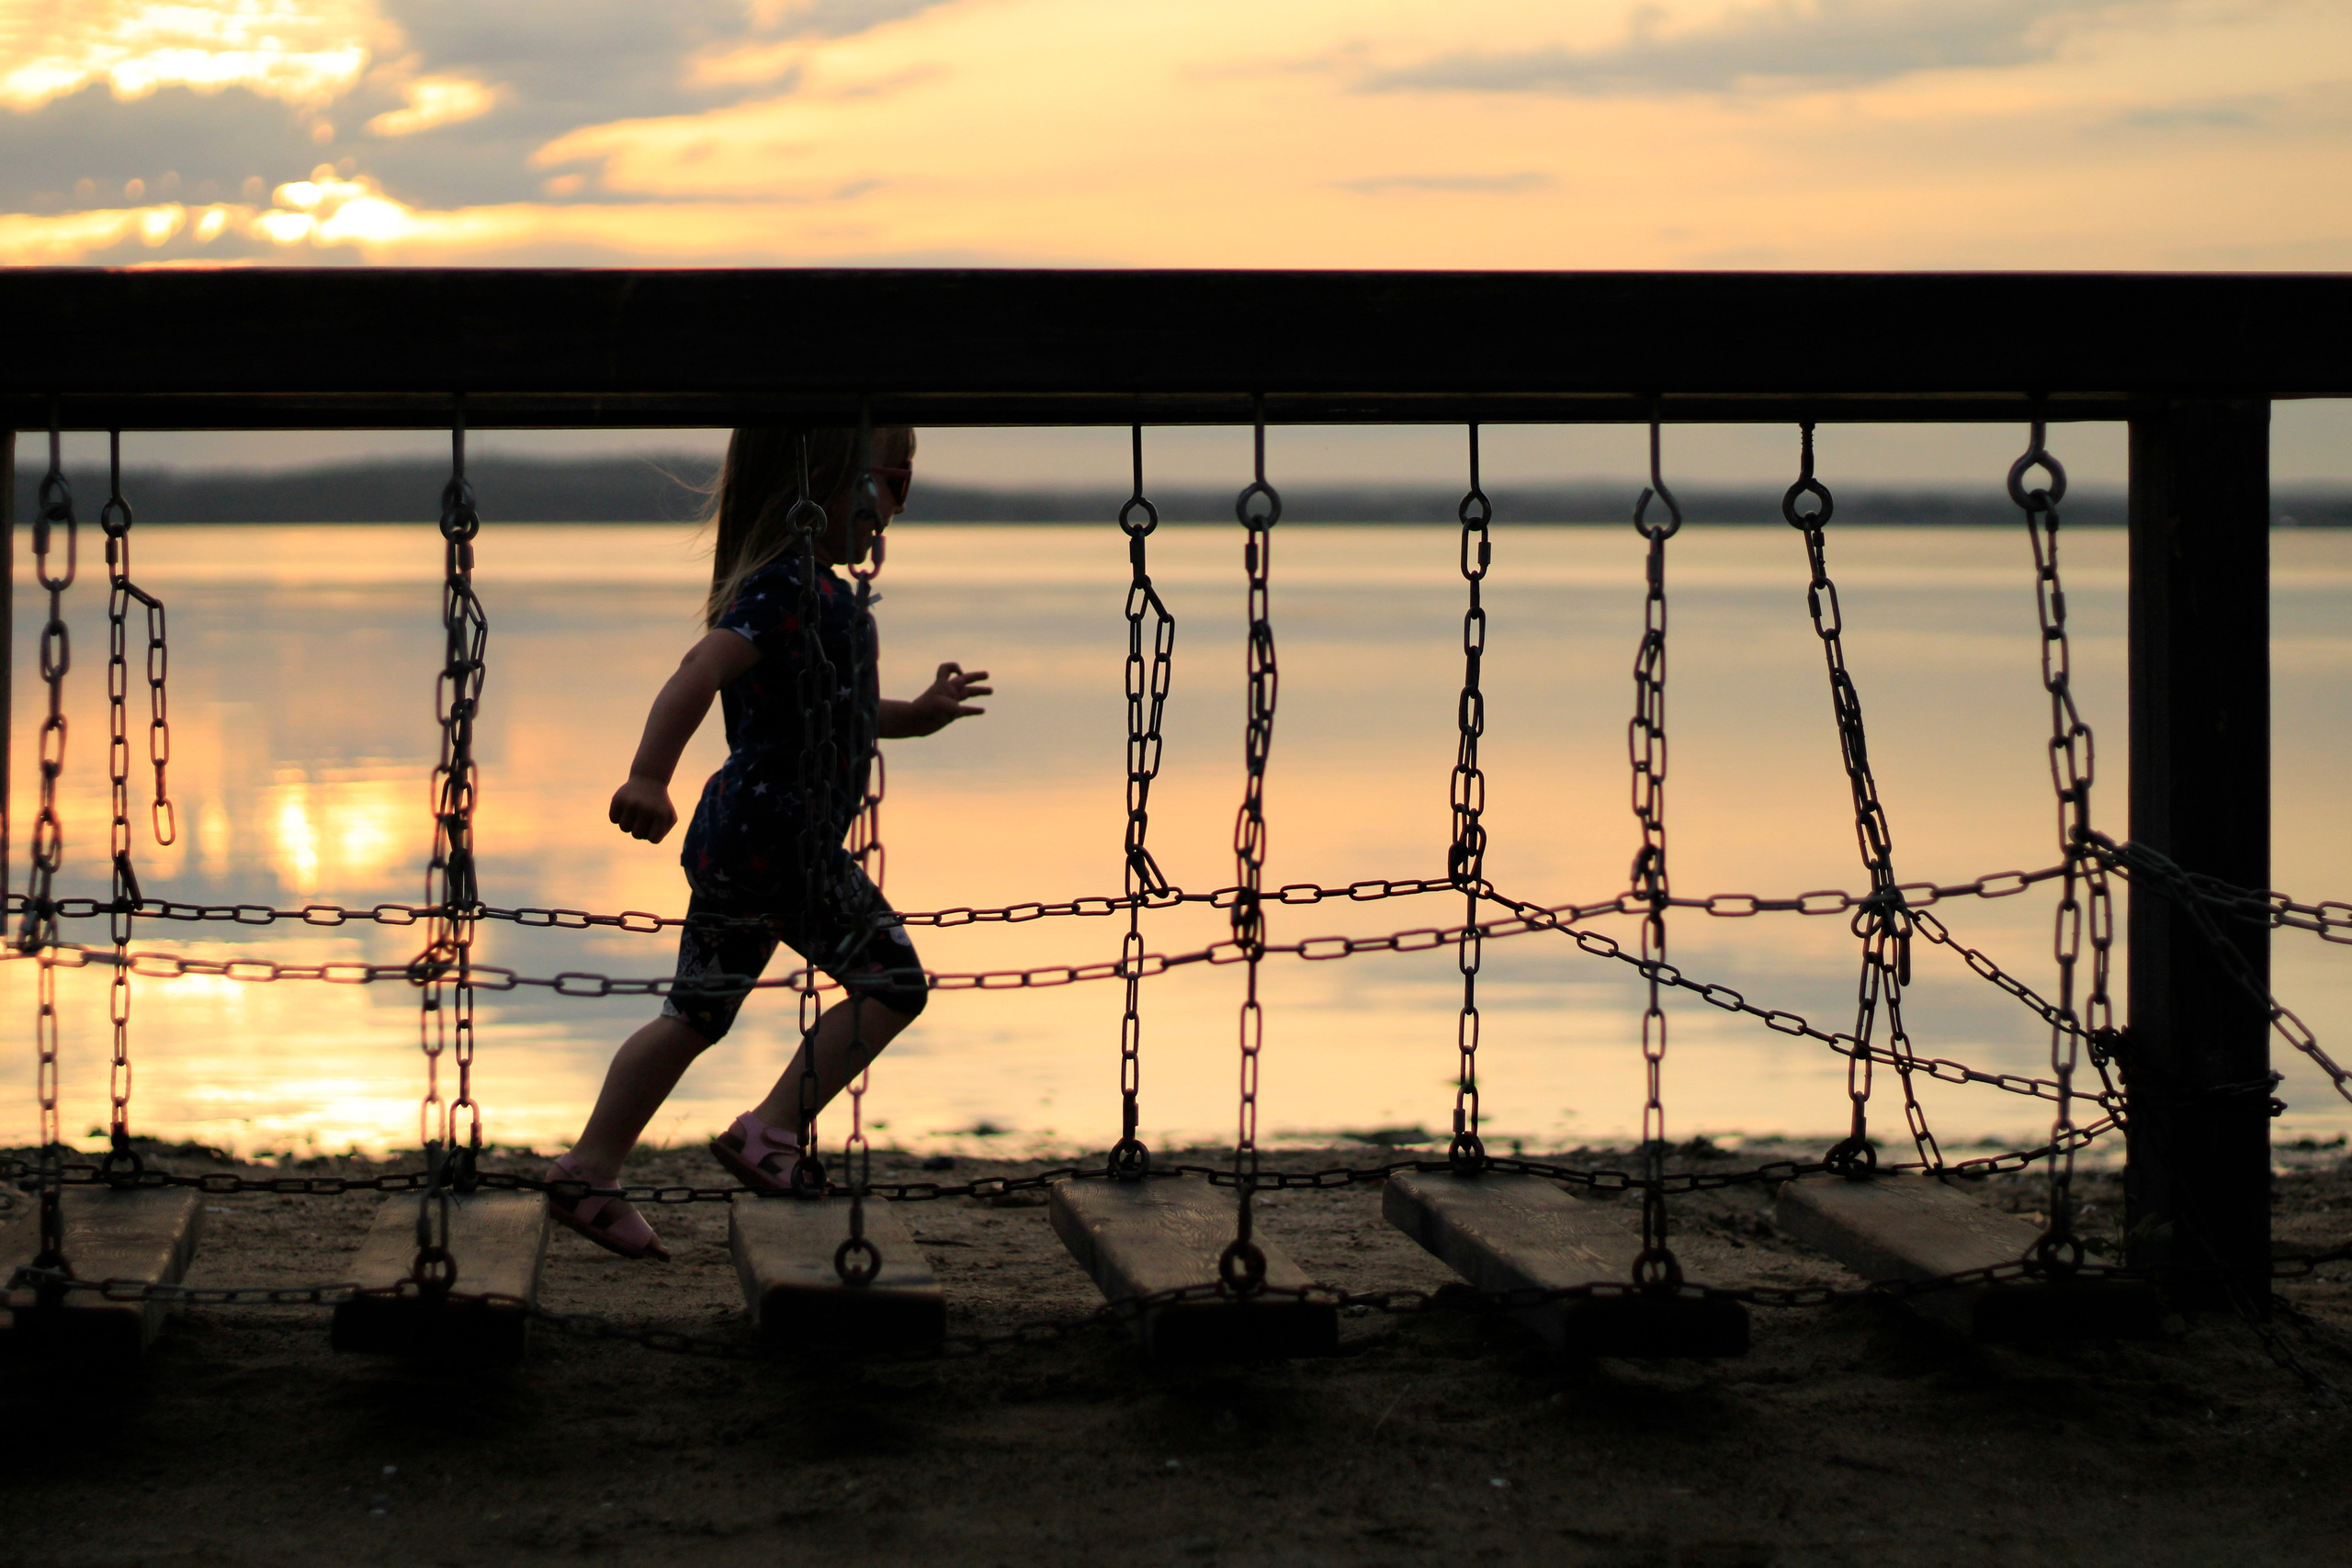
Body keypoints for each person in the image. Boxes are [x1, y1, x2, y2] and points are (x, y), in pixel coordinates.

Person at [547, 425, 989, 1260]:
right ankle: (771, 1131)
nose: (895, 506)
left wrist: (915, 717)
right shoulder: (784, 587)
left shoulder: (816, 593)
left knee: (696, 1012)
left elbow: (836, 706)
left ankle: (589, 1169)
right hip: (781, 841)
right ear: (826, 487)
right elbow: (698, 669)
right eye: (891, 481)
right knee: (892, 982)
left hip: (745, 841)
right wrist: (648, 775)